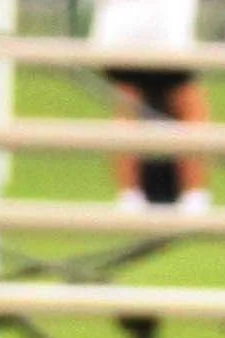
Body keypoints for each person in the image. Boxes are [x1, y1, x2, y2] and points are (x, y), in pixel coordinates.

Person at [90, 0, 210, 211]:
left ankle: (130, 196)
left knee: (128, 106)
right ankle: (193, 195)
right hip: (163, 32)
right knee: (187, 105)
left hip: (123, 33)